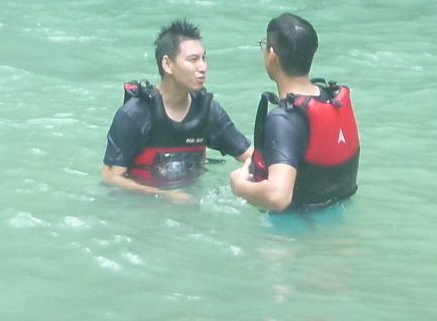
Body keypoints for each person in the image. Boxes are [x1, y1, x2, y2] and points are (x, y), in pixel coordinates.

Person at [102, 20, 251, 198]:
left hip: (190, 199)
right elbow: (111, 177)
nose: (203, 67)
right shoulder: (134, 114)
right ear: (167, 64)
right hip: (143, 206)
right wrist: (164, 195)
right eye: (193, 60)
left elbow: (252, 157)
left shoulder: (208, 111)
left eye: (204, 58)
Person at [230, 13, 359, 213]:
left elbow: (278, 196)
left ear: (271, 55)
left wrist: (239, 186)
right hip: (338, 221)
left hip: (293, 233)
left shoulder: (283, 119)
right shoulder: (331, 101)